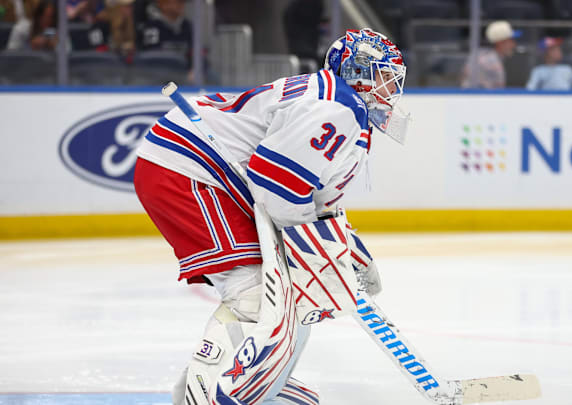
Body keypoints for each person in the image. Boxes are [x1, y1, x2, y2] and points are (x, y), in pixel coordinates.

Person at [133, 28, 407, 405]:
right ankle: (212, 393)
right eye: (381, 77)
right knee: (256, 297)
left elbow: (314, 200)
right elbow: (276, 189)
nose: (389, 90)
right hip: (189, 169)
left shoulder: (347, 113)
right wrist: (318, 249)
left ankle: (253, 384)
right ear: (355, 73)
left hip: (203, 172)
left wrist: (349, 251)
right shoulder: (336, 105)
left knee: (297, 298)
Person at [461, 20, 520, 89]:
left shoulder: (484, 56)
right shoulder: (490, 61)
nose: (514, 44)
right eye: (511, 40)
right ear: (500, 42)